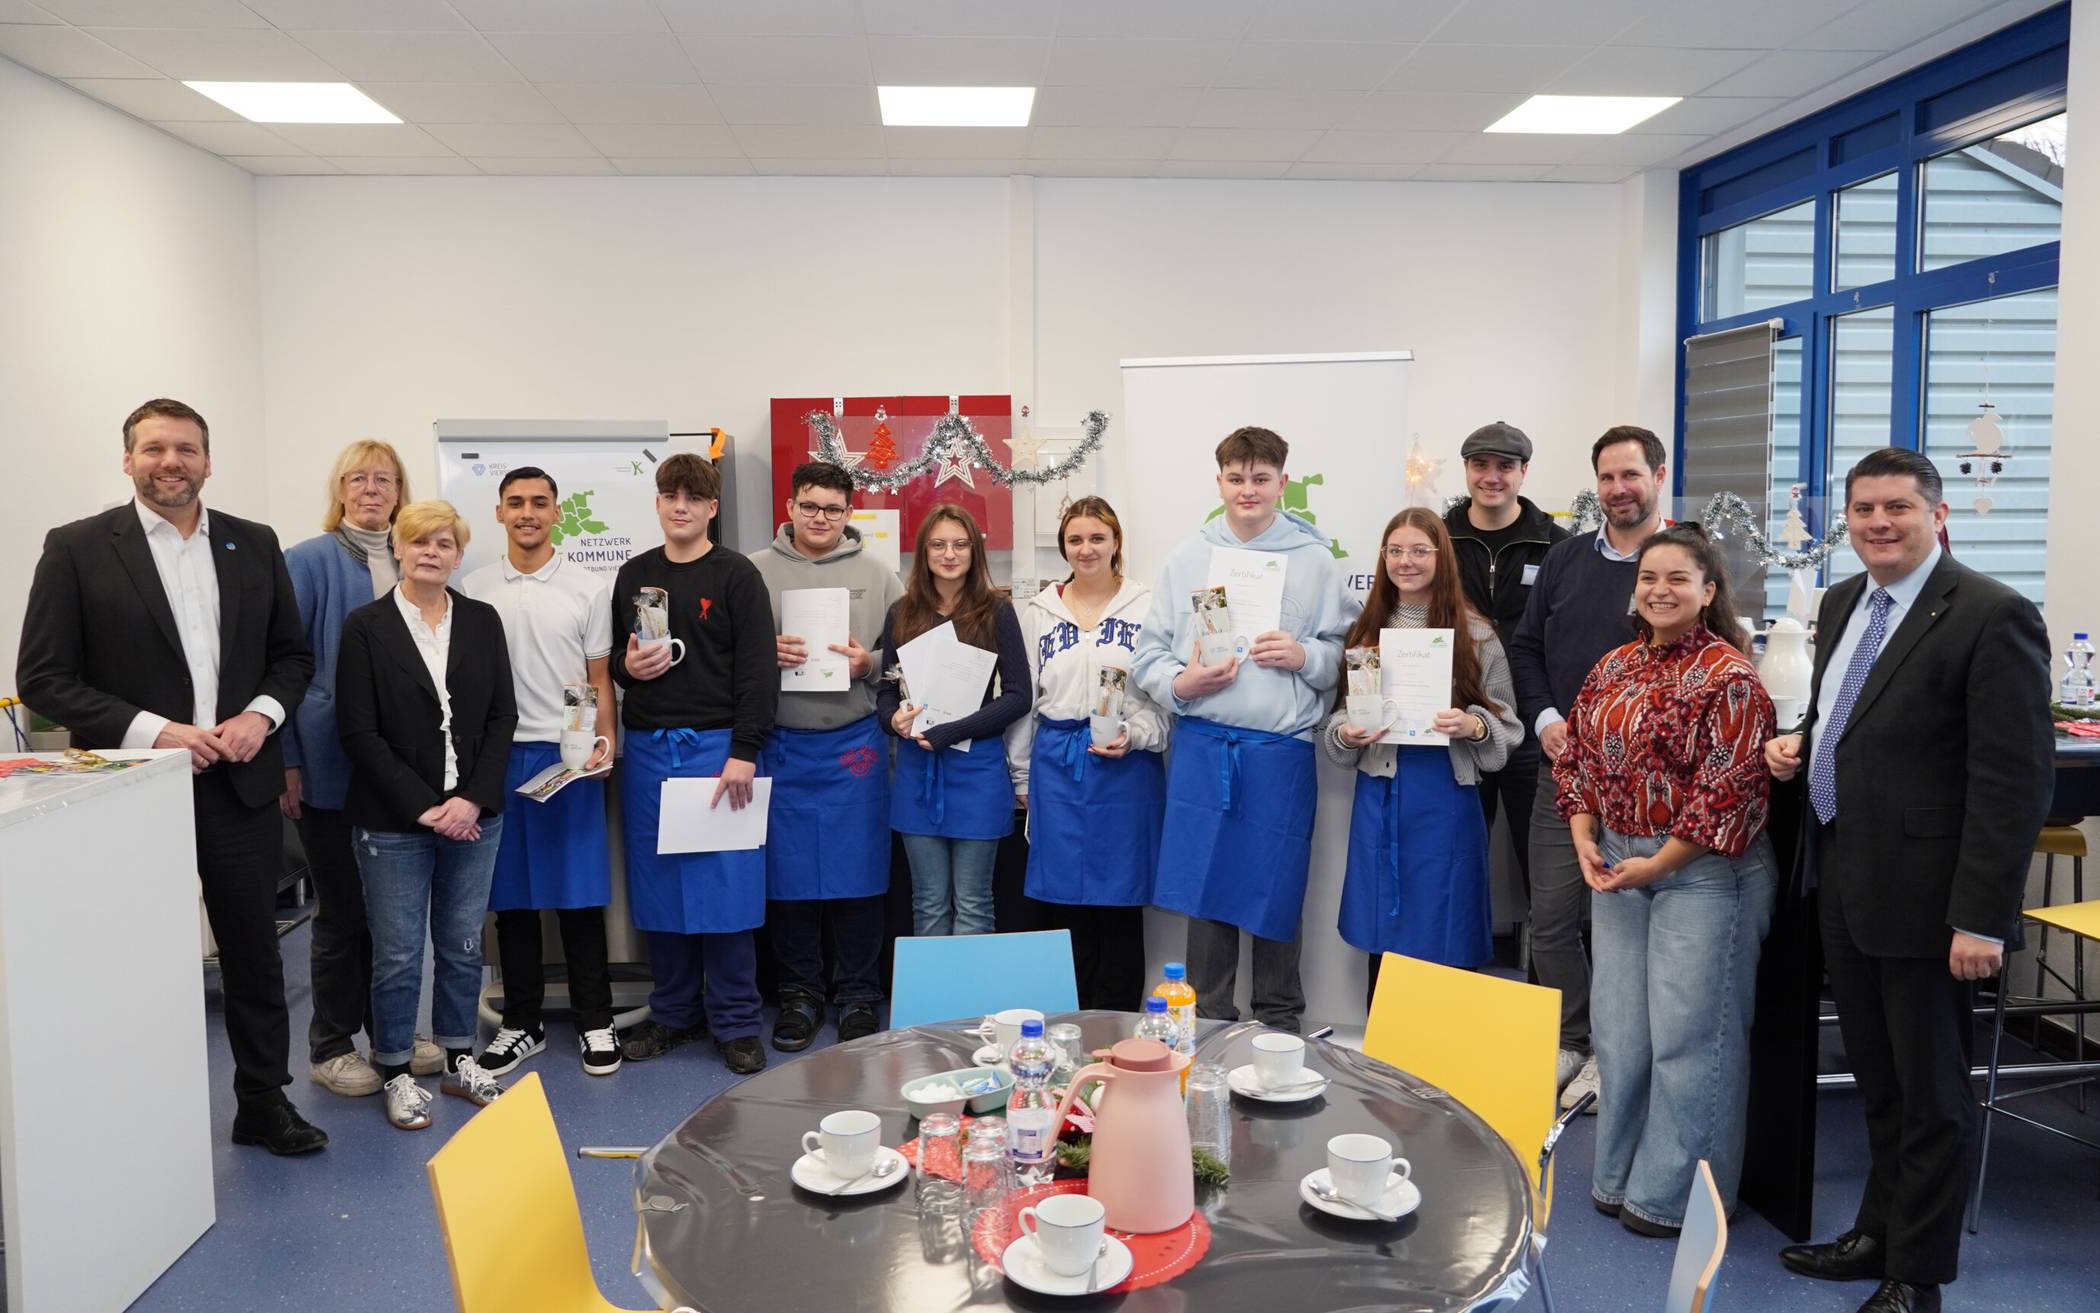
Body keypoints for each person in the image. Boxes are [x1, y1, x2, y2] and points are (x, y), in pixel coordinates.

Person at [1767, 448, 2051, 1313]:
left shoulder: (1992, 614)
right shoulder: (1846, 600)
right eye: (1863, 510)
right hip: (1848, 880)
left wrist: (1982, 918)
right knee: (1880, 1084)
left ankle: (1916, 1276)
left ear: (1937, 514)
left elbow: (2014, 782)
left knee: (1931, 1095)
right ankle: (1874, 1235)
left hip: (1932, 899)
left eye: (1897, 506)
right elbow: (1845, 715)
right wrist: (1801, 744)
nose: (1879, 523)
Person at [17, 398, 326, 1155]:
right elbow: (45, 677)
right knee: (135, 961)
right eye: (154, 448)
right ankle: (135, 1120)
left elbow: (292, 656)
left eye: (186, 448)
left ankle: (263, 1101)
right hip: (129, 791)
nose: (171, 462)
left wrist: (259, 715)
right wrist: (157, 733)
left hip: (239, 782)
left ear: (208, 460)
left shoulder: (253, 544)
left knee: (253, 951)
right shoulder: (78, 547)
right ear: (127, 460)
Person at [1555, 525, 1777, 1240]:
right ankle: (1620, 1178)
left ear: (1708, 591)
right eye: (1649, 576)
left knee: (1691, 1041)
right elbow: (1580, 759)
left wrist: (1659, 861)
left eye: (1678, 578)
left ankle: (1677, 1199)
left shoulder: (1731, 676)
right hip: (1618, 862)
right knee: (1622, 1036)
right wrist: (1585, 835)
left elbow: (1728, 789)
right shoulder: (1613, 665)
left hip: (1704, 872)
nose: (1659, 589)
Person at [1130, 426, 1351, 1033]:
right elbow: (1149, 656)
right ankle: (1209, 1020)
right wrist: (1182, 684)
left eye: (1260, 479)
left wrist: (1305, 656)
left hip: (1279, 751)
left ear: (1282, 482)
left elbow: (1343, 655)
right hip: (1205, 746)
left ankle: (1281, 1021)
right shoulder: (1187, 559)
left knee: (1277, 885)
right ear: (1219, 481)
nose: (1247, 490)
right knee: (1207, 887)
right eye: (1236, 478)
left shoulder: (1315, 561)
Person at [334, 500, 515, 1130]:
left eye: (444, 543)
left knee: (464, 946)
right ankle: (396, 1072)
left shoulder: (484, 621)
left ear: (459, 555)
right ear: (399, 551)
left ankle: (461, 1057)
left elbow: (501, 718)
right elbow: (358, 731)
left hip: (474, 815)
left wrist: (471, 799)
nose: (431, 552)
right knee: (400, 953)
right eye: (419, 543)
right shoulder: (365, 626)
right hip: (393, 821)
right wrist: (424, 807)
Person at [1508, 424, 1670, 1113]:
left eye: (1631, 474)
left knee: (1625, 920)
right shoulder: (1567, 560)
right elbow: (1525, 649)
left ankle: (1615, 1049)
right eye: (1607, 476)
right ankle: (1573, 1037)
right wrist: (1546, 722)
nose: (1618, 489)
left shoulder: (1677, 561)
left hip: (1648, 782)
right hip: (1565, 768)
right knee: (1549, 917)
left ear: (1659, 476)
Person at [281, 439, 447, 1098]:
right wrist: (288, 759)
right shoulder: (309, 561)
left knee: (395, 914)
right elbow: (285, 668)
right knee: (343, 912)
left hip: (400, 771)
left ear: (400, 489)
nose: (372, 488)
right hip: (328, 763)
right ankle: (330, 1044)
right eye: (359, 477)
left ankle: (393, 1035)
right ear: (340, 488)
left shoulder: (418, 558)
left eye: (385, 478)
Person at [610, 453, 777, 1075]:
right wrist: (630, 669)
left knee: (726, 889)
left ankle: (735, 1021)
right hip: (652, 750)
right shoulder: (633, 576)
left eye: (692, 497)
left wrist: (743, 752)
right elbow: (618, 661)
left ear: (711, 508)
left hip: (717, 751)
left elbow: (759, 673)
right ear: (656, 504)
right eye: (668, 495)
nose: (679, 506)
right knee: (660, 892)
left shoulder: (736, 576)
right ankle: (674, 1013)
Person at [1323, 508, 1520, 1004]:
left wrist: (1473, 724)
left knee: (1447, 927)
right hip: (1382, 795)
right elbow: (1334, 726)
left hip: (1446, 798)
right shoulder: (1365, 633)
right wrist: (1348, 733)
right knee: (1384, 932)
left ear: (1441, 557)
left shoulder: (1477, 635)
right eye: (1395, 551)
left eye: (1418, 550)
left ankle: (1443, 1063)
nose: (1405, 561)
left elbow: (1508, 727)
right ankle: (1383, 1069)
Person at [462, 467, 621, 1079]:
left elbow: (599, 676)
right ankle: (521, 1023)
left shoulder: (587, 586)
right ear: (499, 513)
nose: (527, 512)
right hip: (499, 759)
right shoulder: (472, 588)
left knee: (579, 897)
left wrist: (606, 745)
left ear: (558, 511)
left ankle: (595, 1020)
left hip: (569, 756)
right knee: (513, 902)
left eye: (539, 502)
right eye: (515, 503)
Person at [752, 461, 901, 1049]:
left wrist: (870, 663)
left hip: (854, 746)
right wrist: (767, 654)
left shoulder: (880, 575)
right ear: (790, 507)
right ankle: (799, 996)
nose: (821, 518)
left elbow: (913, 653)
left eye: (833, 509)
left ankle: (860, 996)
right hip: (781, 744)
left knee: (859, 879)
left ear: (849, 513)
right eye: (810, 506)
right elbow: (731, 653)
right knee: (788, 881)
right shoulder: (753, 572)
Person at [1008, 496, 1168, 1010]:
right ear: (1064, 547)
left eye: (1097, 538)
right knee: (1064, 899)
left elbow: (1164, 698)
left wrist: (1137, 733)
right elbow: (1023, 701)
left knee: (1120, 902)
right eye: (1075, 539)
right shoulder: (1037, 612)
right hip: (1057, 763)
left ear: (1116, 542)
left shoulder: (1148, 605)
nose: (1086, 548)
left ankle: (1118, 1026)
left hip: (1126, 767)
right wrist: (1021, 774)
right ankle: (1068, 1023)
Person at [876, 504, 1030, 936]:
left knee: (974, 903)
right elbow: (886, 693)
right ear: (923, 552)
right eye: (939, 544)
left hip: (977, 773)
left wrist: (954, 731)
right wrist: (895, 721)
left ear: (974, 552)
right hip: (918, 772)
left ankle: (972, 1007)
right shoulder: (901, 613)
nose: (950, 554)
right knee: (927, 905)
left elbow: (1019, 697)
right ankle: (935, 1008)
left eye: (960, 544)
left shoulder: (997, 611)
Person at [1441, 421, 1568, 909]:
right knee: (1455, 865)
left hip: (1534, 731)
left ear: (1524, 472)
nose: (1491, 476)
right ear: (1467, 470)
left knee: (1545, 872)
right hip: (1458, 727)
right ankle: (1457, 978)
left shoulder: (1557, 544)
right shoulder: (1440, 539)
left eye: (1505, 466)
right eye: (1480, 465)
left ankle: (1546, 984)